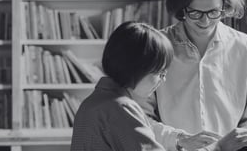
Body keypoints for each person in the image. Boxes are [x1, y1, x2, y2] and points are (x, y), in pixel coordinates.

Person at [136, 0, 247, 151]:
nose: (205, 21)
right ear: (182, 7)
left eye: (213, 12)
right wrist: (179, 139)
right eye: (195, 13)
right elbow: (139, 117)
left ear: (225, 5)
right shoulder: (156, 46)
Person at [70, 21, 178, 151]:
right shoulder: (122, 107)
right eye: (159, 73)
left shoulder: (91, 103)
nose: (163, 79)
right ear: (137, 68)